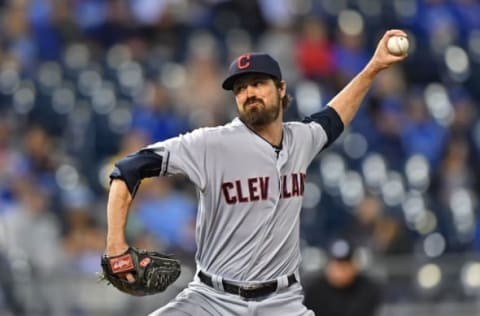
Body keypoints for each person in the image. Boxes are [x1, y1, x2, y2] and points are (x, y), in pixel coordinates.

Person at [104, 29, 408, 315]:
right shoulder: (211, 144)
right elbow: (127, 169)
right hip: (212, 299)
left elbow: (333, 117)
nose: (249, 92)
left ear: (281, 89)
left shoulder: (301, 139)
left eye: (257, 83)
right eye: (240, 88)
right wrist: (116, 244)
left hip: (282, 301)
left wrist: (374, 67)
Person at [303, 238, 382, 316]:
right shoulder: (314, 290)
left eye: (345, 264)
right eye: (337, 264)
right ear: (328, 265)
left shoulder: (367, 289)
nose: (340, 270)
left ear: (354, 266)